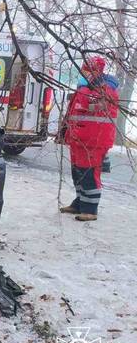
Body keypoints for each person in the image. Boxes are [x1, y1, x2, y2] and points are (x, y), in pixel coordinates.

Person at [59, 56, 119, 221]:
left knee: (89, 174)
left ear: (95, 71)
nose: (83, 73)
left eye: (86, 69)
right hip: (79, 138)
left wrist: (83, 90)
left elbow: (90, 105)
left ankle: (90, 210)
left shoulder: (106, 88)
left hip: (93, 140)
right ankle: (79, 203)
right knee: (77, 174)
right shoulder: (87, 86)